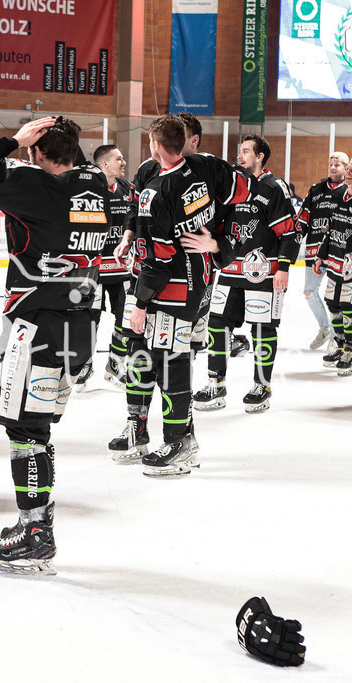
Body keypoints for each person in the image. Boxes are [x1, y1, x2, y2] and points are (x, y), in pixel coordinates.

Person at [0, 115, 111, 575]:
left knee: (25, 432)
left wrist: (9, 142)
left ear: (37, 152)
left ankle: (36, 531)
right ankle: (38, 519)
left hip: (36, 327)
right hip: (78, 326)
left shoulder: (36, 186)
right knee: (39, 428)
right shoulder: (98, 185)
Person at [120, 115, 250, 476]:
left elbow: (159, 258)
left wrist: (141, 303)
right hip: (182, 281)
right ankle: (148, 430)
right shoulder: (181, 177)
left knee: (171, 360)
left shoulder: (190, 178)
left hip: (172, 286)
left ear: (156, 143)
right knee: (146, 355)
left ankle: (179, 441)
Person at [194, 135, 296, 413]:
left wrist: (284, 268)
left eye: (247, 152)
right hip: (229, 269)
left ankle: (261, 386)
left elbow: (290, 232)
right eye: (239, 151)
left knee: (262, 330)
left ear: (261, 156)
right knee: (216, 323)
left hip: (262, 272)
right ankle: (216, 382)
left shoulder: (274, 187)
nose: (240, 156)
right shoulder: (231, 185)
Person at [313, 154, 352, 376]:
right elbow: (329, 228)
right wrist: (320, 255)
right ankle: (339, 344)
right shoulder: (337, 194)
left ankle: (351, 351)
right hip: (334, 262)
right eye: (348, 169)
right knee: (333, 304)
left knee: (350, 308)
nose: (348, 173)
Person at [87, 143, 134, 389]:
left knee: (124, 320)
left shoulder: (128, 189)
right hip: (93, 270)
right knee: (87, 320)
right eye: (119, 158)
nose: (123, 162)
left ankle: (116, 364)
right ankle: (83, 365)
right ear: (104, 163)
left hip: (120, 269)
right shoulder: (87, 188)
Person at [296, 152, 347, 350]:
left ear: (345, 168)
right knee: (309, 292)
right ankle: (326, 328)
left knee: (336, 299)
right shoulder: (316, 190)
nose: (333, 168)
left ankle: (336, 337)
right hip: (313, 252)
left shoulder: (347, 192)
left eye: (338, 165)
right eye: (331, 164)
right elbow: (303, 219)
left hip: (336, 253)